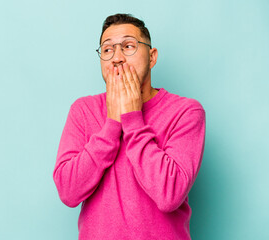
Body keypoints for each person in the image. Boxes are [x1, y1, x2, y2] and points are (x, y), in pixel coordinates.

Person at [53, 13, 206, 240]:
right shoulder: (82, 110)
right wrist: (112, 125)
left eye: (128, 46)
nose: (117, 57)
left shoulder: (185, 112)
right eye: (107, 50)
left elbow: (169, 195)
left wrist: (133, 119)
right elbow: (68, 191)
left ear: (152, 57)